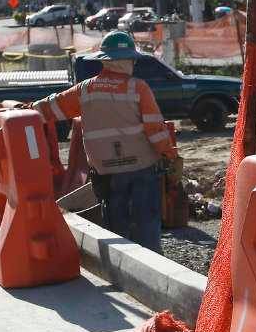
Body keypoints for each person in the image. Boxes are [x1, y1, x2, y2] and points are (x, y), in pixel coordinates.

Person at [30, 31, 176, 253]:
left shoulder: (86, 89)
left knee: (116, 225)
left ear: (105, 60)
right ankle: (151, 262)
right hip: (141, 167)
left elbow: (51, 108)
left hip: (106, 171)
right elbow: (155, 130)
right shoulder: (138, 88)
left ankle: (123, 266)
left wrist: (26, 109)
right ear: (128, 60)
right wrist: (169, 155)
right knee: (146, 221)